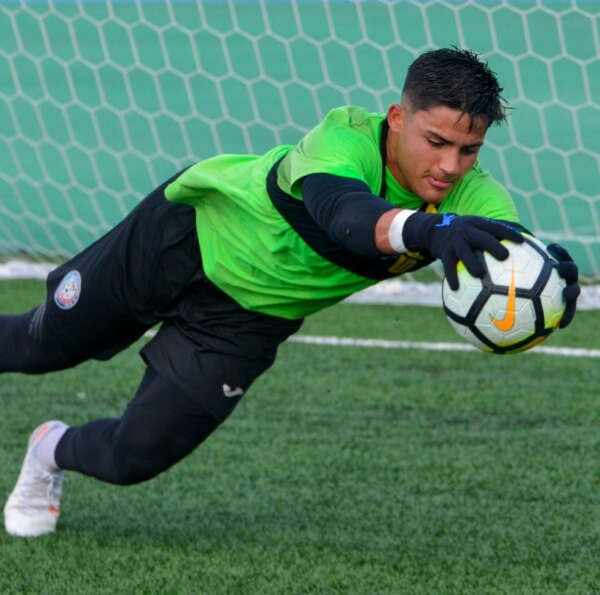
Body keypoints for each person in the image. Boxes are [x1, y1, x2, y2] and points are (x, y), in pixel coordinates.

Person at [2, 47, 580, 537]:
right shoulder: (344, 137)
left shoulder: (473, 199)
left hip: (249, 319)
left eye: (468, 150)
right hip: (180, 241)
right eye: (436, 141)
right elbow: (346, 215)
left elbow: (510, 253)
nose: (450, 166)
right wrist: (430, 229)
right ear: (398, 117)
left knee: (133, 458)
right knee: (36, 346)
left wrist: (548, 283)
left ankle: (49, 448)